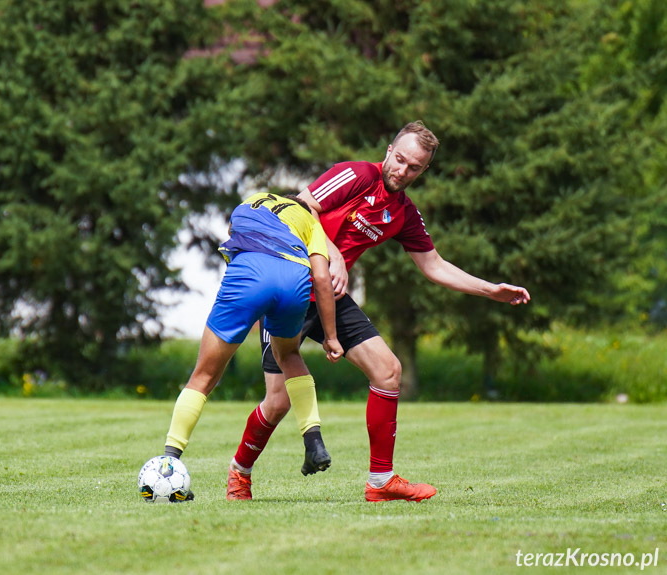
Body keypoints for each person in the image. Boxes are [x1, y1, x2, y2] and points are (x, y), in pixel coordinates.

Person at [225, 121, 531, 502]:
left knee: (389, 371)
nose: (402, 171)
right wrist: (332, 254)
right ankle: (240, 473)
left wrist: (491, 290)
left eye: (414, 167)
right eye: (399, 159)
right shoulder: (357, 175)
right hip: (291, 285)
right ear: (388, 151)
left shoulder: (404, 213)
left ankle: (380, 481)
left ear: (424, 170)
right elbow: (300, 207)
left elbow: (433, 265)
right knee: (279, 402)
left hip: (330, 298)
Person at [160, 192, 343, 495]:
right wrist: (331, 337)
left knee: (204, 375)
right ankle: (314, 441)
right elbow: (322, 279)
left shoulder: (251, 200)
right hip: (294, 279)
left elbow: (236, 237)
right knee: (289, 354)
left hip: (250, 274)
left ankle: (169, 462)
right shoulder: (310, 221)